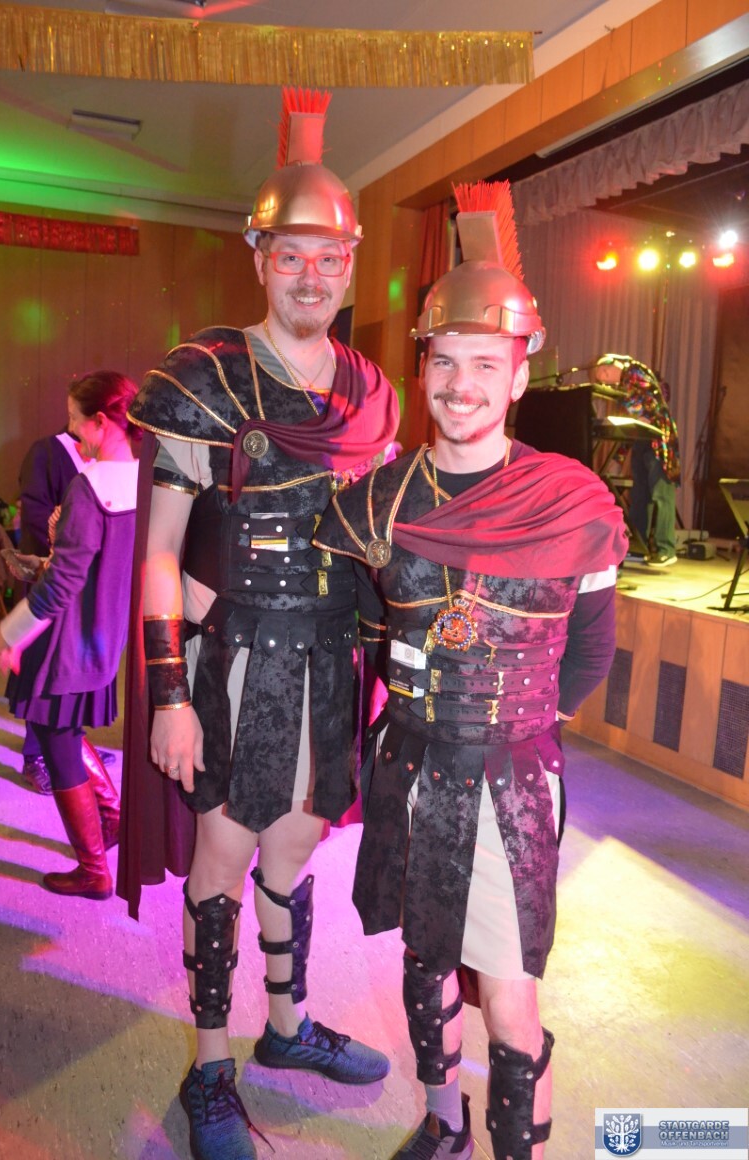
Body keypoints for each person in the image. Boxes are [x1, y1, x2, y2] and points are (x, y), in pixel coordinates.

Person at [315, 181, 627, 1160]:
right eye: (444, 361)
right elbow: (371, 630)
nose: (460, 385)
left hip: (512, 774)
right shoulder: (376, 502)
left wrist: (519, 726)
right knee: (424, 963)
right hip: (410, 765)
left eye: (485, 364)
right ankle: (444, 1121)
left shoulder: (574, 504)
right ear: (424, 368)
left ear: (520, 374)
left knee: (512, 991)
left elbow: (592, 647)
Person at [119, 87, 399, 1160]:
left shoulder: (371, 392)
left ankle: (286, 1027)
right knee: (222, 865)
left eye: (329, 258)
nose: (311, 276)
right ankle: (209, 1067)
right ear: (259, 257)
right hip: (235, 659)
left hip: (333, 660)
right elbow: (159, 550)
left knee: (295, 849)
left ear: (351, 263)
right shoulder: (205, 378)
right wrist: (170, 695)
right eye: (292, 257)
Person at [0, 371, 140, 900]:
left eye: (76, 419)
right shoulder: (142, 481)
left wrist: (12, 632)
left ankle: (94, 869)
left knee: (57, 741)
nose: (72, 431)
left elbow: (64, 582)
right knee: (63, 730)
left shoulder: (90, 487)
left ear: (101, 421)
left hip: (66, 637)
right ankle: (112, 818)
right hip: (104, 632)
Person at [12, 419, 92, 793]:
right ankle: (35, 755)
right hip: (51, 576)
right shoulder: (46, 452)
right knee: (41, 673)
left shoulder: (104, 459)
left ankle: (70, 749)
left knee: (73, 671)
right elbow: (34, 514)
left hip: (85, 584)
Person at [592, 355, 680, 567]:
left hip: (659, 440)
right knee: (640, 495)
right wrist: (618, 458)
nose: (605, 380)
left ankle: (666, 549)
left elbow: (652, 403)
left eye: (604, 373)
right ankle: (638, 548)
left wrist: (640, 415)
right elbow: (631, 426)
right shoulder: (624, 388)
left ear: (614, 364)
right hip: (642, 440)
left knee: (661, 494)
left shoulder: (634, 371)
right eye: (602, 379)